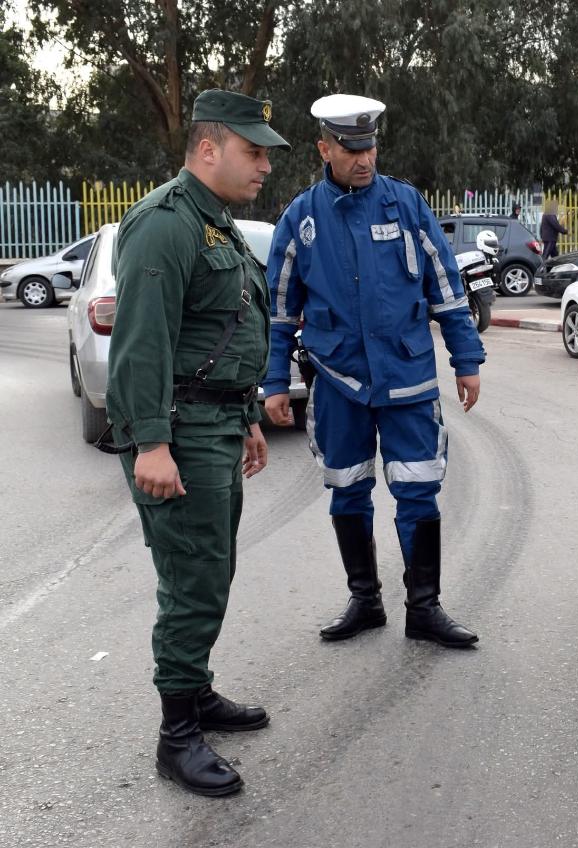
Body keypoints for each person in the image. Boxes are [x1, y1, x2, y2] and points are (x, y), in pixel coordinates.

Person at [106, 90, 290, 797]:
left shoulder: (219, 225)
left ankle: (197, 691)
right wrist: (151, 443)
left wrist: (245, 411)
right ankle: (176, 734)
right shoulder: (164, 224)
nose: (265, 165)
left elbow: (223, 328)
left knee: (208, 571)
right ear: (208, 148)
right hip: (177, 434)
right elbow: (141, 344)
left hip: (214, 424)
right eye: (253, 151)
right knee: (193, 581)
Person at [262, 94, 484, 649]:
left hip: (407, 378)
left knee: (418, 490)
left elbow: (446, 287)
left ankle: (424, 608)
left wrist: (467, 359)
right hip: (337, 382)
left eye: (370, 146)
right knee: (346, 490)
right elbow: (280, 310)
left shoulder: (406, 206)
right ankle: (365, 601)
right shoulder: (301, 218)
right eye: (350, 148)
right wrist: (272, 383)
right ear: (324, 148)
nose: (364, 159)